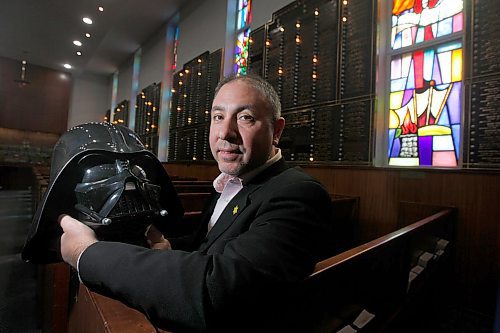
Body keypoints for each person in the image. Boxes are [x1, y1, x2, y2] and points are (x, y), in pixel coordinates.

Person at [58, 74, 336, 332]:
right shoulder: (232, 180)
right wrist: (168, 248)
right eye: (218, 116)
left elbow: (217, 292)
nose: (225, 132)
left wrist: (87, 253)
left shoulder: (298, 194)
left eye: (246, 117)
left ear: (276, 131)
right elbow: (209, 244)